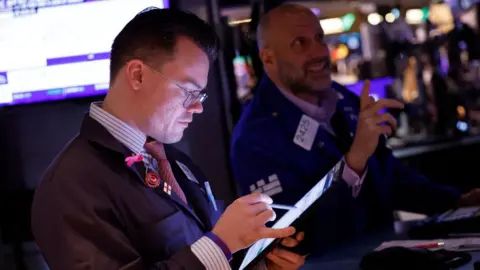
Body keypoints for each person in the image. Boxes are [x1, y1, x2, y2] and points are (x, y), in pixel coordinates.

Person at [31, 8, 306, 270]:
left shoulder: (169, 158)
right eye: (188, 91)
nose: (197, 107)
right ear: (137, 75)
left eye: (200, 95)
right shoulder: (70, 184)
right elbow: (211, 249)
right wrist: (220, 243)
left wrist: (257, 263)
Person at [230, 3, 480, 254]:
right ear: (268, 58)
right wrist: (354, 162)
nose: (318, 52)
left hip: (384, 254)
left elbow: (389, 174)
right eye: (300, 43)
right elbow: (293, 236)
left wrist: (455, 201)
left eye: (319, 38)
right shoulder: (254, 138)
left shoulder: (340, 97)